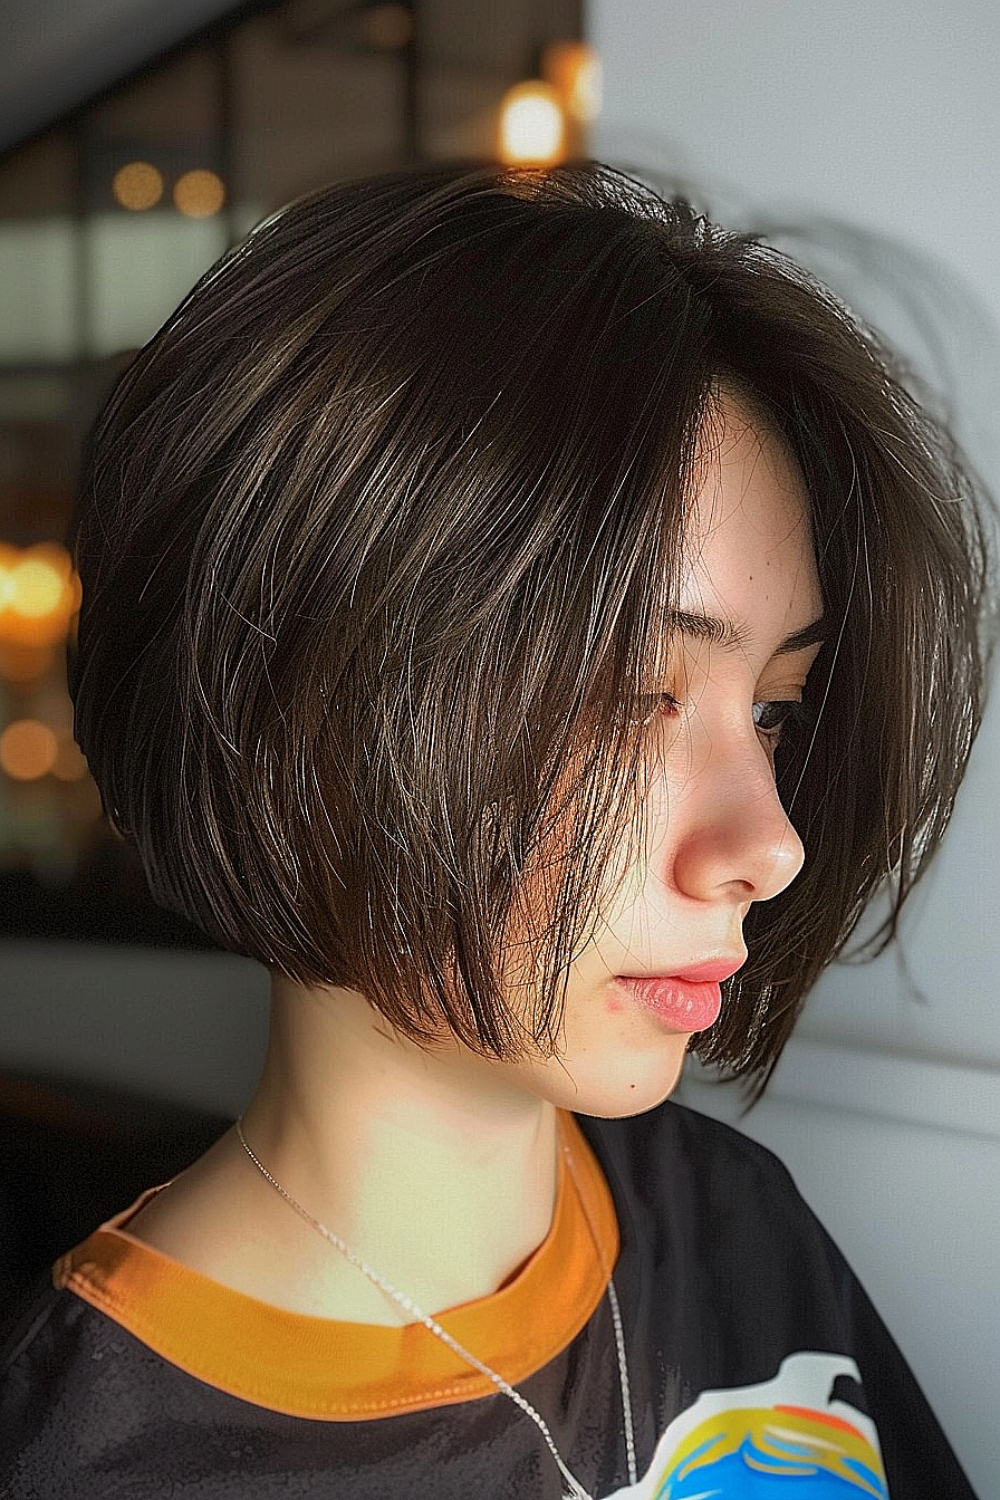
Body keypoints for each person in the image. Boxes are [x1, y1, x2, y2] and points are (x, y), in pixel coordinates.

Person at [0, 158, 993, 1499]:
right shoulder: (93, 1459)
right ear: (303, 711)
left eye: (773, 710)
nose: (769, 844)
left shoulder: (731, 1225)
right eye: (633, 697)